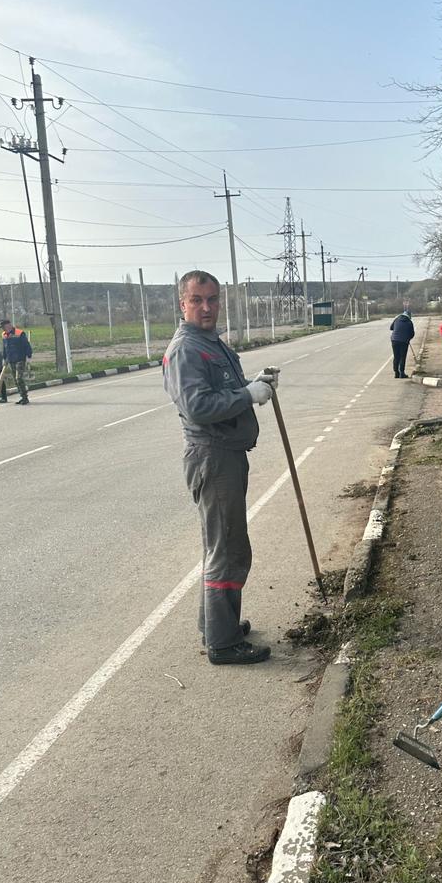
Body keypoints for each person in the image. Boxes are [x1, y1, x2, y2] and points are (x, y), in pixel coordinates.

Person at [163, 270, 279, 666]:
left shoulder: (210, 343)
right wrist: (247, 394)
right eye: (197, 300)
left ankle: (216, 624)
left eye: (212, 299)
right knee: (227, 548)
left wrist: (251, 384)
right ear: (183, 304)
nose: (207, 307)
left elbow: (220, 391)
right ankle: (224, 644)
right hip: (212, 457)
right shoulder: (186, 349)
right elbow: (197, 406)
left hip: (225, 455)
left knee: (222, 545)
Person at [0, 318, 33, 405]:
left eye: (3, 326)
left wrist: (29, 356)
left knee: (19, 378)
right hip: (11, 360)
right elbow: (5, 348)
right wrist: (4, 358)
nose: (2, 328)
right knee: (15, 379)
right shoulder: (4, 335)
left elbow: (26, 345)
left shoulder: (19, 333)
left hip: (20, 359)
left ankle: (25, 398)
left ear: (8, 325)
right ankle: (22, 397)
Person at [389, 309, 415, 378]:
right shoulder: (409, 322)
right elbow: (412, 333)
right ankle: (402, 373)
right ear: (409, 315)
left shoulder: (396, 319)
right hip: (404, 341)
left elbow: (391, 328)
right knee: (402, 357)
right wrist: (408, 338)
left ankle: (396, 373)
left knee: (396, 356)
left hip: (394, 340)